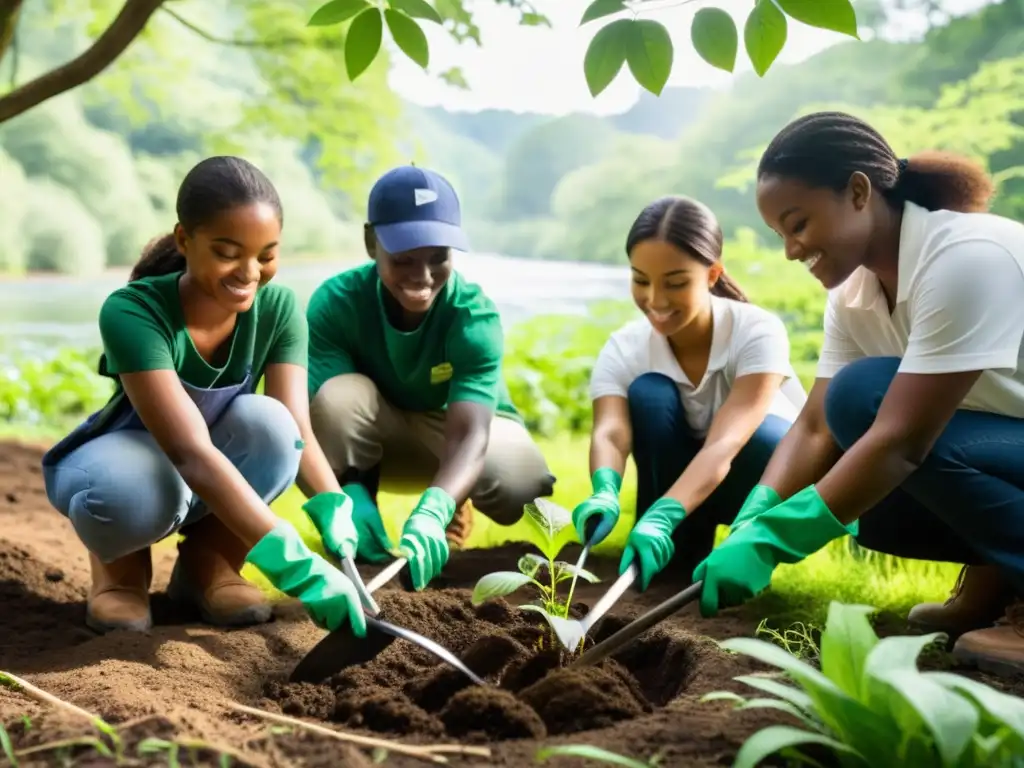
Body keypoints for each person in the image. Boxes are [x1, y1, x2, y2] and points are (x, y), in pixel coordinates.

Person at [693, 109, 1024, 676]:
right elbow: (817, 424)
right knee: (866, 475)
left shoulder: (967, 259)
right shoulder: (853, 295)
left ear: (858, 191)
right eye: (780, 235)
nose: (791, 251)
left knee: (867, 406)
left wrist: (777, 541)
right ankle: (996, 579)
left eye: (798, 225)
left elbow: (901, 441)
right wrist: (760, 512)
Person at [41, 156, 367, 638]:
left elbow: (298, 426)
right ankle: (120, 575)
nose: (250, 272)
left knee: (275, 429)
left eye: (267, 254)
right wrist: (294, 561)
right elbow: (190, 452)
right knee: (132, 489)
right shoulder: (134, 311)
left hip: (196, 467)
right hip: (126, 463)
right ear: (183, 240)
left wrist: (333, 505)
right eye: (228, 251)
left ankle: (209, 566)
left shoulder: (277, 309)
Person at [304, 165, 556, 592]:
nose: (422, 277)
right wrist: (346, 493)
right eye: (404, 258)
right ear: (371, 243)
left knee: (521, 483)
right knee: (335, 398)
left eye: (438, 257)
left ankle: (454, 500)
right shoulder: (335, 302)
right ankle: (359, 523)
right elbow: (317, 419)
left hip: (452, 435)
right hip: (375, 436)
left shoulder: (473, 316)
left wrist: (436, 507)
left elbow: (471, 434)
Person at [570, 195, 807, 590]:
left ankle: (746, 544)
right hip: (681, 479)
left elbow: (726, 443)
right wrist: (605, 488)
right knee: (649, 392)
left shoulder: (756, 331)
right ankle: (680, 550)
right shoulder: (626, 347)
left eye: (676, 283)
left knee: (765, 437)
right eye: (641, 280)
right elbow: (609, 430)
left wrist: (663, 514)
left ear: (713, 275)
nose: (656, 300)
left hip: (753, 482)